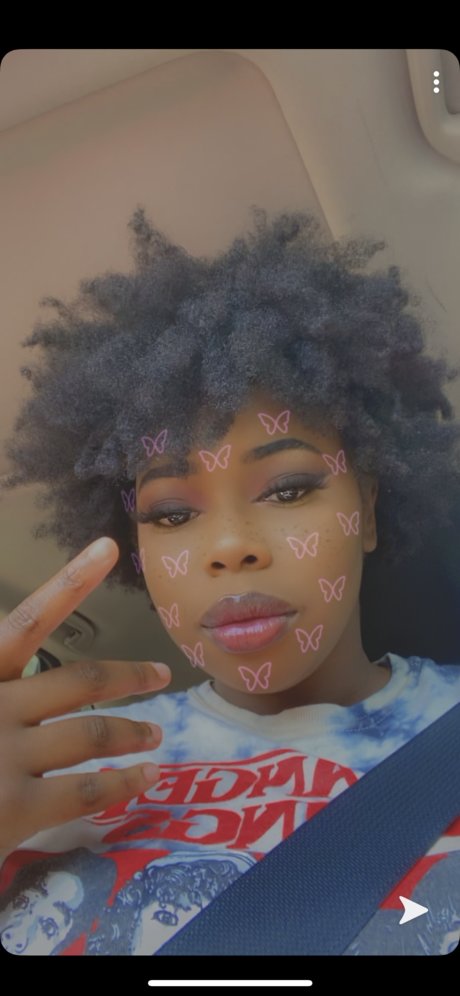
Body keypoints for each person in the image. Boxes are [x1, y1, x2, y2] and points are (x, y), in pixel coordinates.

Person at [0, 207, 459, 957]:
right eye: (172, 512)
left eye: (288, 489)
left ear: (368, 511)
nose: (228, 548)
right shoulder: (45, 777)